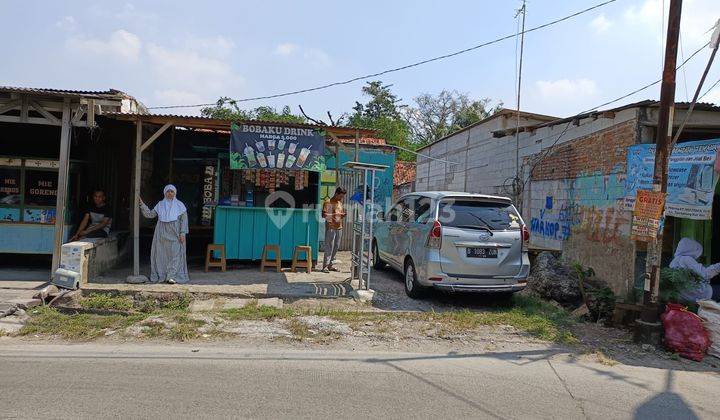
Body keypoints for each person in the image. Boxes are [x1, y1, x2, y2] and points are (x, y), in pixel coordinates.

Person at [139, 184, 189, 284]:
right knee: (161, 255)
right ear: (164, 193)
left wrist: (182, 232)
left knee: (175, 254)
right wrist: (142, 205)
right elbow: (150, 214)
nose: (170, 193)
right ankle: (162, 275)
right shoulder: (160, 204)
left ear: (175, 193)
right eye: (168, 191)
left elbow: (184, 220)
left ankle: (172, 276)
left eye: (172, 191)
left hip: (175, 233)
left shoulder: (180, 205)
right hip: (161, 233)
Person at [669, 238, 720, 302]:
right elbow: (705, 274)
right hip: (702, 293)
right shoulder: (686, 259)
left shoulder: (673, 262)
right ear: (691, 249)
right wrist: (718, 267)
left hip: (687, 297)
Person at [321, 187, 347, 273]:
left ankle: (330, 265)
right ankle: (325, 266)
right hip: (330, 226)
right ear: (336, 194)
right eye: (340, 196)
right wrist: (335, 214)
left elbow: (340, 213)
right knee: (329, 246)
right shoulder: (328, 202)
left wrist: (342, 215)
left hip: (339, 226)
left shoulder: (339, 203)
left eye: (342, 196)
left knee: (336, 247)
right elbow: (324, 215)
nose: (341, 198)